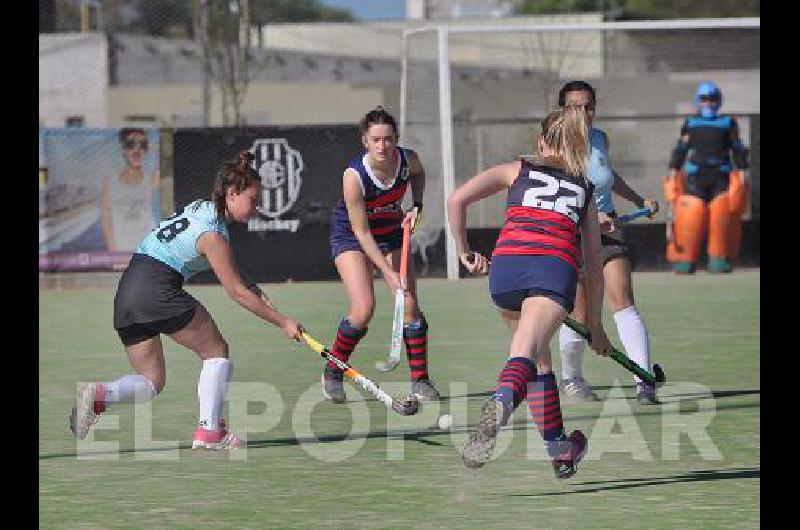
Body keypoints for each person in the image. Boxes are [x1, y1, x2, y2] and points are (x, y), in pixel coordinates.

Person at [69, 151, 303, 450]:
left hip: (128, 292)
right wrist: (283, 321)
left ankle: (101, 394)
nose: (257, 208)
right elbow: (235, 291)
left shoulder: (200, 207)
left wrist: (251, 285)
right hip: (158, 290)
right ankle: (210, 431)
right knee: (216, 350)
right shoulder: (214, 235)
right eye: (253, 200)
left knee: (151, 381)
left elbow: (230, 269)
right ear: (232, 194)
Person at [447, 105, 612, 478]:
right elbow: (594, 262)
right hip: (550, 271)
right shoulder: (584, 189)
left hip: (505, 271)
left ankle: (560, 448)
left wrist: (465, 252)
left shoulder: (516, 169)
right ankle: (502, 403)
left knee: (537, 360)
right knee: (524, 354)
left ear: (541, 142)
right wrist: (597, 328)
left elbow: (456, 199)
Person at [555, 80, 661, 405]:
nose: (583, 113)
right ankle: (572, 378)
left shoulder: (600, 139)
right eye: (575, 106)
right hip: (571, 231)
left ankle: (644, 381)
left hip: (608, 229)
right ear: (562, 111)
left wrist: (639, 198)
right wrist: (587, 217)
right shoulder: (553, 144)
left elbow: (608, 178)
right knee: (580, 311)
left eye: (588, 106)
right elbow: (552, 191)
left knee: (623, 298)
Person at [325, 106, 440, 403]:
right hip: (352, 236)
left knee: (410, 303)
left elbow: (419, 174)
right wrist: (388, 272)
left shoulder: (407, 160)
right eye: (375, 140)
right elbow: (362, 233)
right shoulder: (354, 177)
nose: (382, 146)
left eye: (388, 139)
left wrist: (417, 205)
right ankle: (334, 370)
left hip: (390, 231)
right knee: (364, 308)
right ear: (365, 140)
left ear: (395, 138)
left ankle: (420, 381)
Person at [664, 81, 750, 274]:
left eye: (712, 99)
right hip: (695, 176)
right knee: (690, 213)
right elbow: (681, 148)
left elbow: (737, 148)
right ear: (698, 101)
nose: (708, 103)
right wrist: (674, 170)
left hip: (720, 176)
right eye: (704, 99)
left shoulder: (728, 123)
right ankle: (685, 259)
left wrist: (743, 169)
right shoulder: (691, 123)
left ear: (718, 101)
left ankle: (719, 258)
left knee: (721, 213)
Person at [101, 127, 161, 253]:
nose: (137, 151)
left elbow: (167, 164)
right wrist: (113, 250)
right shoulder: (110, 182)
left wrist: (154, 147)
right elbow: (105, 219)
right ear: (123, 150)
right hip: (121, 251)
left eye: (143, 146)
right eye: (131, 145)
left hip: (147, 252)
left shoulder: (152, 180)